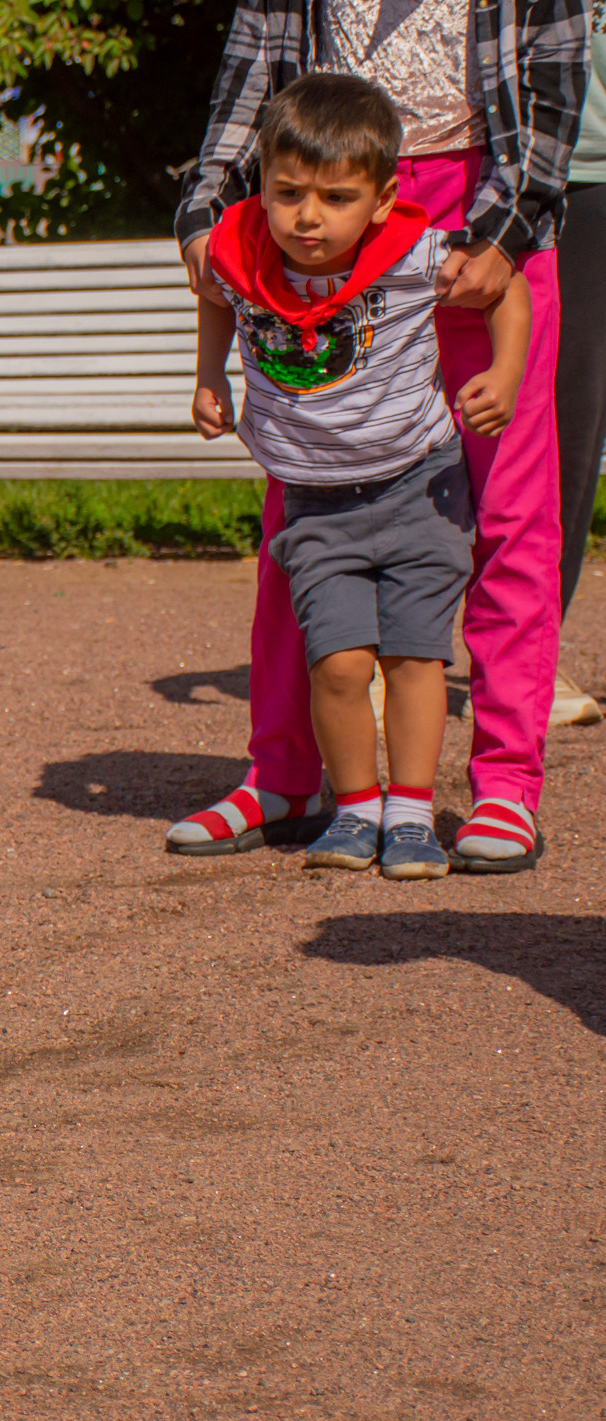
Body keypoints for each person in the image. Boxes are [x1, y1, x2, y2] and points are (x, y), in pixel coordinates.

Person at [168, 0, 592, 872]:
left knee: (508, 505)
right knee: (301, 494)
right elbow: (257, 51)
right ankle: (283, 772)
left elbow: (557, 46)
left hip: (477, 201)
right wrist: (205, 204)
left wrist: (509, 229)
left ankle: (502, 785)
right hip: (324, 208)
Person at [193, 75, 531, 878]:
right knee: (338, 664)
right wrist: (210, 375)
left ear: (381, 200)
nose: (308, 217)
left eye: (337, 198)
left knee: (416, 659)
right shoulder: (242, 253)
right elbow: (213, 291)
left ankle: (411, 815)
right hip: (314, 504)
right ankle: (352, 809)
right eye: (288, 193)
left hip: (420, 489)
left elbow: (507, 288)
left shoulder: (414, 254)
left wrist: (506, 375)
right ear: (264, 186)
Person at [549, 0, 606, 725]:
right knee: (561, 419)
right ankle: (388, 646)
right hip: (555, 169)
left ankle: (536, 645)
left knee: (581, 426)